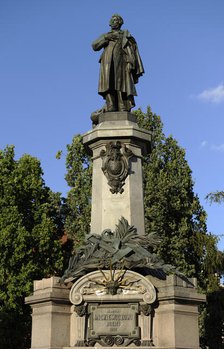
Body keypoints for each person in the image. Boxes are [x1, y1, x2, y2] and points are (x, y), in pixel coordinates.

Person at [92, 14, 144, 113]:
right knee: (108, 83)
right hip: (107, 62)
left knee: (121, 83)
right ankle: (110, 105)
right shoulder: (106, 35)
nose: (112, 22)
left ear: (120, 22)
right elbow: (94, 46)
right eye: (112, 20)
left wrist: (130, 63)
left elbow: (131, 51)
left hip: (122, 62)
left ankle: (122, 105)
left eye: (115, 20)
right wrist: (107, 38)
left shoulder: (125, 35)